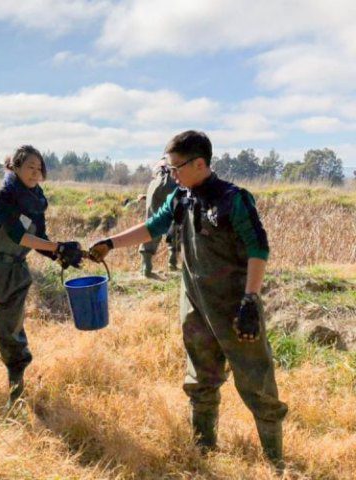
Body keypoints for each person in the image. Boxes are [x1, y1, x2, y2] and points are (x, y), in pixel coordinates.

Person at [89, 131, 287, 468]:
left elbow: (258, 249)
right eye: (169, 168)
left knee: (256, 381)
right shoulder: (182, 197)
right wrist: (110, 242)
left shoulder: (233, 200)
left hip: (235, 307)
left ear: (199, 163)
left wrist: (251, 300)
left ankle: (275, 462)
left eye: (176, 167)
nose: (172, 174)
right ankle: (204, 453)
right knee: (200, 379)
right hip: (196, 304)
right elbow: (152, 227)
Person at [0, 145, 84, 411]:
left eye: (39, 168)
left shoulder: (37, 200)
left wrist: (61, 254)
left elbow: (38, 240)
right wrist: (56, 247)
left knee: (11, 334)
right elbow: (16, 235)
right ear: (16, 167)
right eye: (30, 167)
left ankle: (16, 396)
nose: (35, 172)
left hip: (15, 273)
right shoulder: (3, 196)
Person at [139, 161, 180, 277]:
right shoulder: (174, 162)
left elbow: (161, 185)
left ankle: (146, 266)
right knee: (175, 223)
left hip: (156, 186)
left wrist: (147, 197)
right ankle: (172, 261)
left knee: (152, 223)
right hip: (175, 185)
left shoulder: (158, 164)